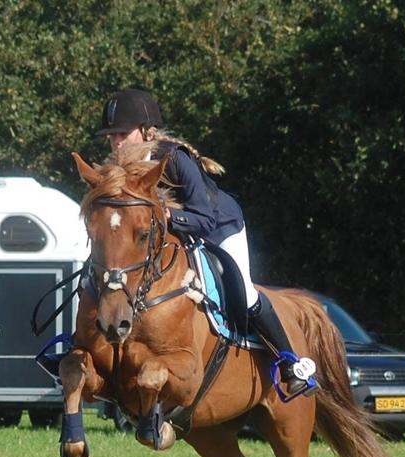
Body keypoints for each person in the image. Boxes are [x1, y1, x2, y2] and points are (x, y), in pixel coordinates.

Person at [97, 88, 317, 397]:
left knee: (245, 291)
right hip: (173, 239)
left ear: (146, 132)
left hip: (219, 227)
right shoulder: (117, 169)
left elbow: (205, 218)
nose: (116, 142)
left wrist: (164, 217)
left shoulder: (174, 159)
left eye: (122, 133)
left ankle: (289, 361)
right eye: (111, 136)